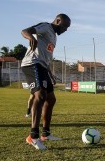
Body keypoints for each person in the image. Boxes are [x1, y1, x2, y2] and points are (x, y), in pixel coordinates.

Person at [21, 13, 71, 150]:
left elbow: (46, 58)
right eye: (65, 26)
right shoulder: (45, 26)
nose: (66, 29)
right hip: (32, 64)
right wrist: (31, 37)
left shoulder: (53, 37)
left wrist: (51, 75)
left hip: (42, 67)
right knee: (40, 95)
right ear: (58, 21)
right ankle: (33, 137)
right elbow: (24, 31)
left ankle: (46, 134)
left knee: (51, 99)